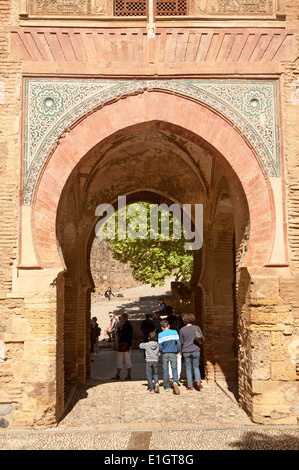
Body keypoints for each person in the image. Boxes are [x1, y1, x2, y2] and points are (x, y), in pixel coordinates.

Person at [179, 313, 204, 391]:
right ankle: (198, 381)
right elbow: (202, 338)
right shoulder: (196, 328)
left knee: (188, 367)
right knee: (196, 366)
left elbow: (181, 341)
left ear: (185, 320)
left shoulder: (182, 329)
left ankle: (190, 385)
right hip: (195, 349)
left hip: (186, 351)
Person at [158, 319, 181, 394]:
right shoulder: (174, 332)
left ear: (162, 328)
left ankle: (166, 386)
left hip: (165, 353)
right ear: (169, 326)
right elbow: (179, 343)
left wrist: (161, 352)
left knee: (165, 370)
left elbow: (160, 346)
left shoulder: (160, 335)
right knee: (174, 369)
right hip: (173, 352)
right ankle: (175, 382)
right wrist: (177, 351)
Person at [112, 313, 133, 381]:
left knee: (127, 360)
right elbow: (119, 334)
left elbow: (129, 337)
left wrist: (128, 347)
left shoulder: (128, 326)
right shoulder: (122, 325)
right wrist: (118, 328)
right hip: (121, 344)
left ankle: (129, 374)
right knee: (119, 359)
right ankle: (118, 374)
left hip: (126, 344)